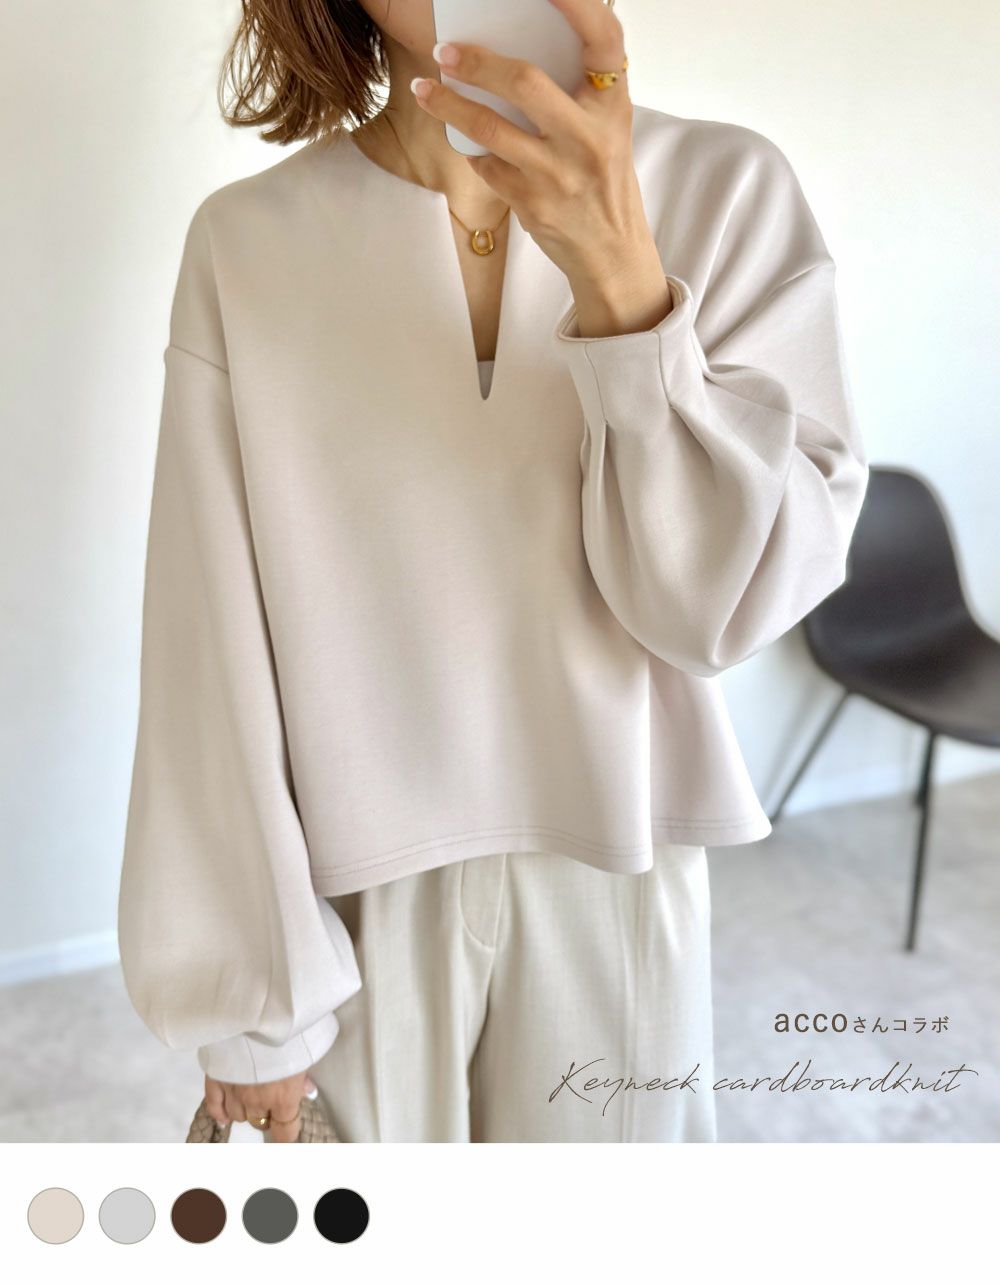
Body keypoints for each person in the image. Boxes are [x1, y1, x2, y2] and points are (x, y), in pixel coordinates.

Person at [117, 0, 869, 1143]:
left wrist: (626, 289)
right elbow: (204, 638)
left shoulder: (727, 192)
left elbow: (721, 609)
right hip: (346, 896)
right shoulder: (246, 241)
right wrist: (254, 1006)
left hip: (620, 852)